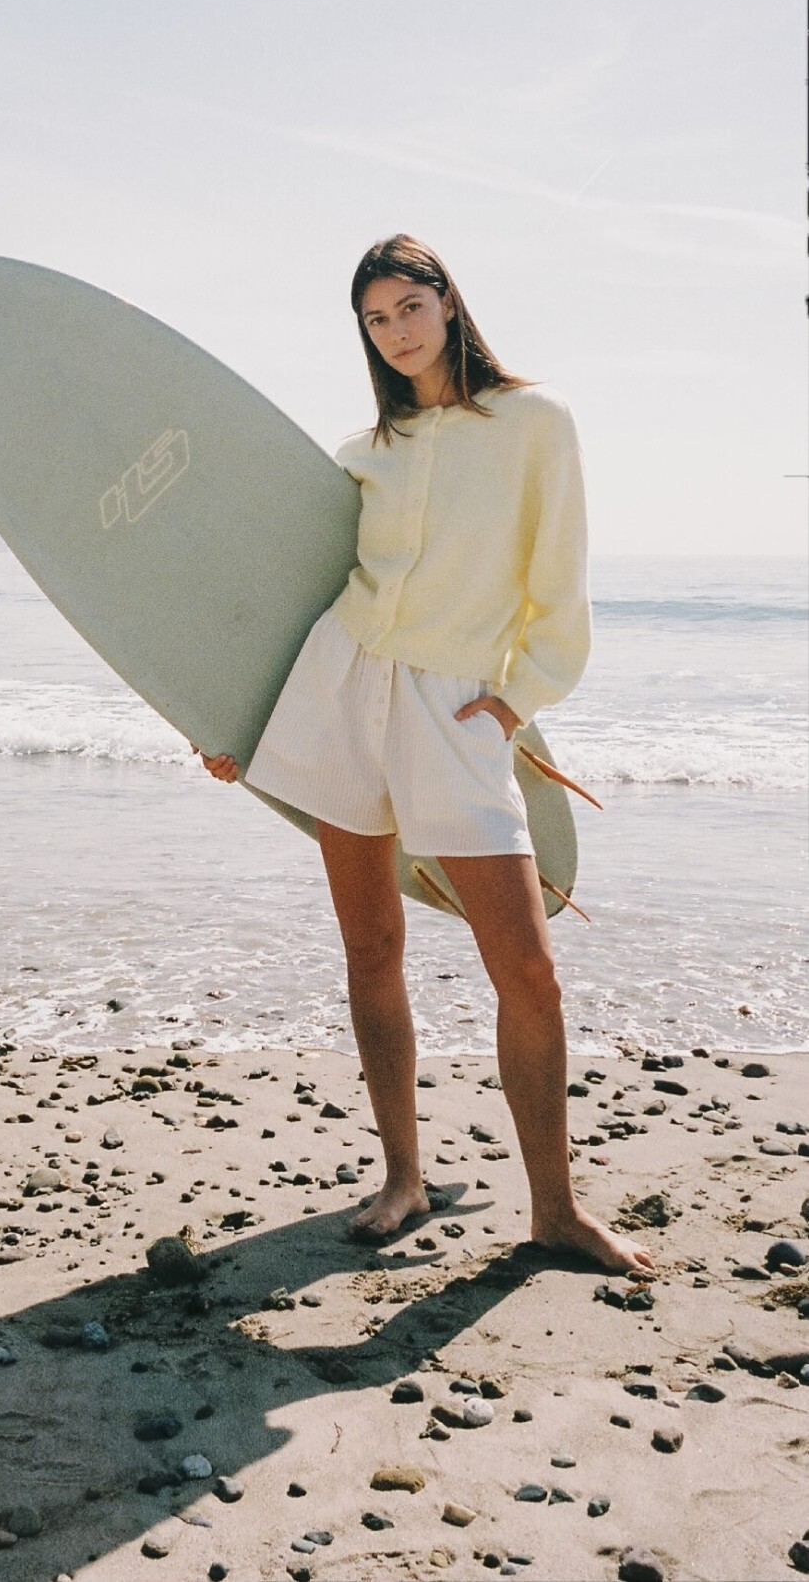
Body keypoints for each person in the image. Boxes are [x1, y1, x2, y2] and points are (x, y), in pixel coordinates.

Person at [197, 234, 654, 1277]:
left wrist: (517, 700)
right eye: (376, 318)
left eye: (410, 305)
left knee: (527, 971)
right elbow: (284, 594)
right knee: (370, 947)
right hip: (340, 688)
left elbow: (558, 584)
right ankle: (401, 1177)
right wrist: (227, 717)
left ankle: (554, 1209)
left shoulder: (535, 421)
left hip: (456, 706)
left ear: (448, 302)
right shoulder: (365, 451)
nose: (397, 331)